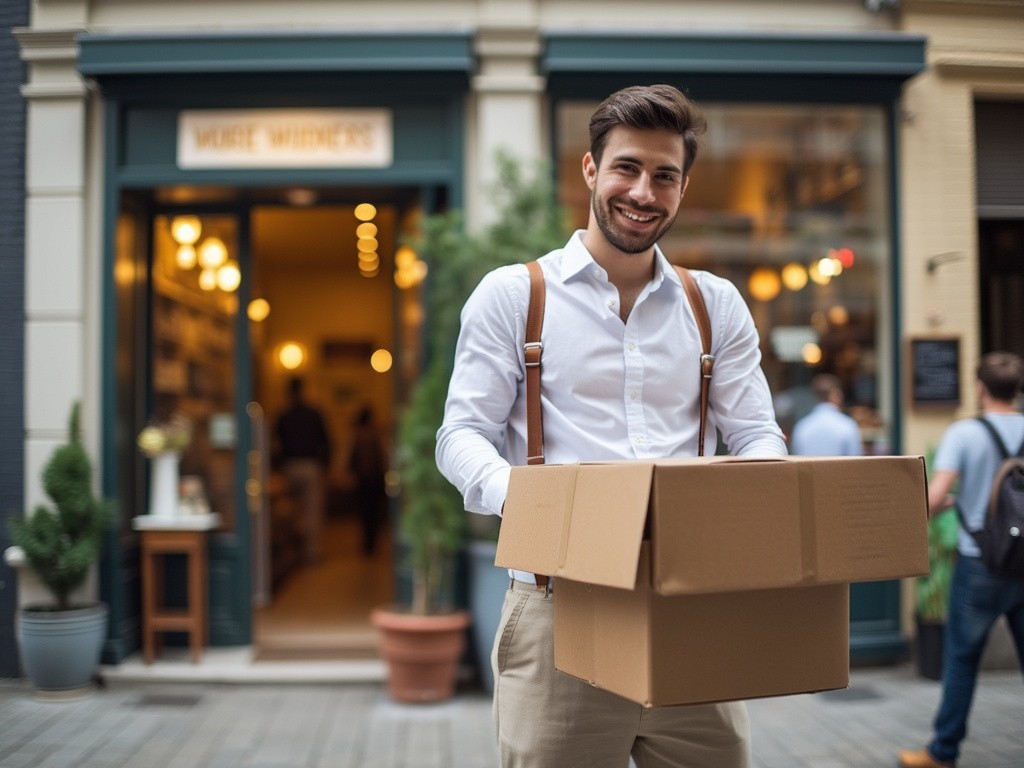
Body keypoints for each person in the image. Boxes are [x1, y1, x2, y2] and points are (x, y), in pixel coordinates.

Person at [436, 84, 787, 768]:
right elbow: (460, 436)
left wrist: (753, 508)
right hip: (557, 613)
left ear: (683, 188)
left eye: (665, 176)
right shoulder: (515, 296)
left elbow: (757, 436)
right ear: (591, 170)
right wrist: (533, 502)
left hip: (689, 608)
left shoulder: (714, 304)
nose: (644, 192)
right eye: (627, 167)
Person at [898, 352, 1024, 768]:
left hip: (980, 562)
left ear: (980, 388)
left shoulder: (965, 433)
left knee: (962, 658)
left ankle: (943, 752)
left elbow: (932, 498)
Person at [275, 377, 332, 564]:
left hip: (290, 466)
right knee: (311, 511)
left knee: (289, 510)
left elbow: (276, 444)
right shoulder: (313, 413)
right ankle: (309, 551)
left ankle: (293, 550)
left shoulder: (284, 415)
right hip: (310, 466)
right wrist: (325, 466)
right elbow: (326, 442)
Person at [789, 373, 863, 456]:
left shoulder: (801, 426)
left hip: (808, 469)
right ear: (835, 395)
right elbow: (855, 460)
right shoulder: (847, 425)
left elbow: (795, 457)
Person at [349, 405, 387, 556]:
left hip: (362, 480)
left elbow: (352, 459)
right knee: (373, 512)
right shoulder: (375, 435)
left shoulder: (356, 435)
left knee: (365, 513)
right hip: (374, 479)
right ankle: (371, 543)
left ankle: (367, 543)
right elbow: (381, 458)